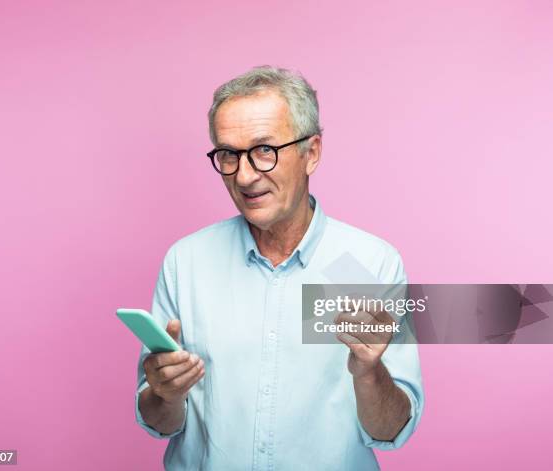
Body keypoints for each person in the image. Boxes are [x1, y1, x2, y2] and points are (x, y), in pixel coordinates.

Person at [135, 65, 424, 470]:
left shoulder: (369, 265)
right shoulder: (185, 262)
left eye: (265, 150)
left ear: (312, 152)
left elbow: (391, 431)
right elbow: (157, 421)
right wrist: (164, 393)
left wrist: (369, 372)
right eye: (228, 155)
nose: (245, 175)